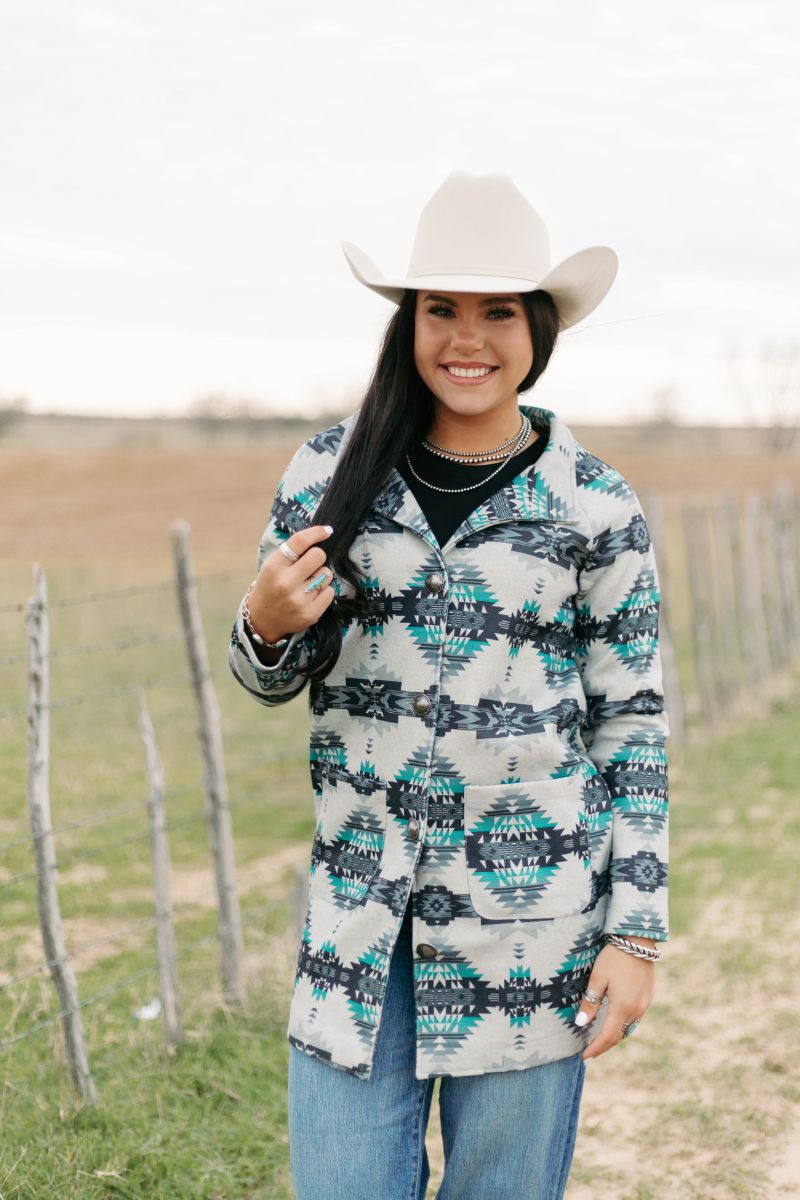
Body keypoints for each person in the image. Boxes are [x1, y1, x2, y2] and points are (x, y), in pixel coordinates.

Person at [228, 170, 670, 1200]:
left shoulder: (595, 505)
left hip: (532, 926)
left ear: (538, 329)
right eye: (441, 309)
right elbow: (266, 674)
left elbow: (633, 726)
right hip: (358, 919)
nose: (466, 339)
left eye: (497, 312)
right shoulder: (326, 476)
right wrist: (265, 623)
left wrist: (635, 932)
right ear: (409, 322)